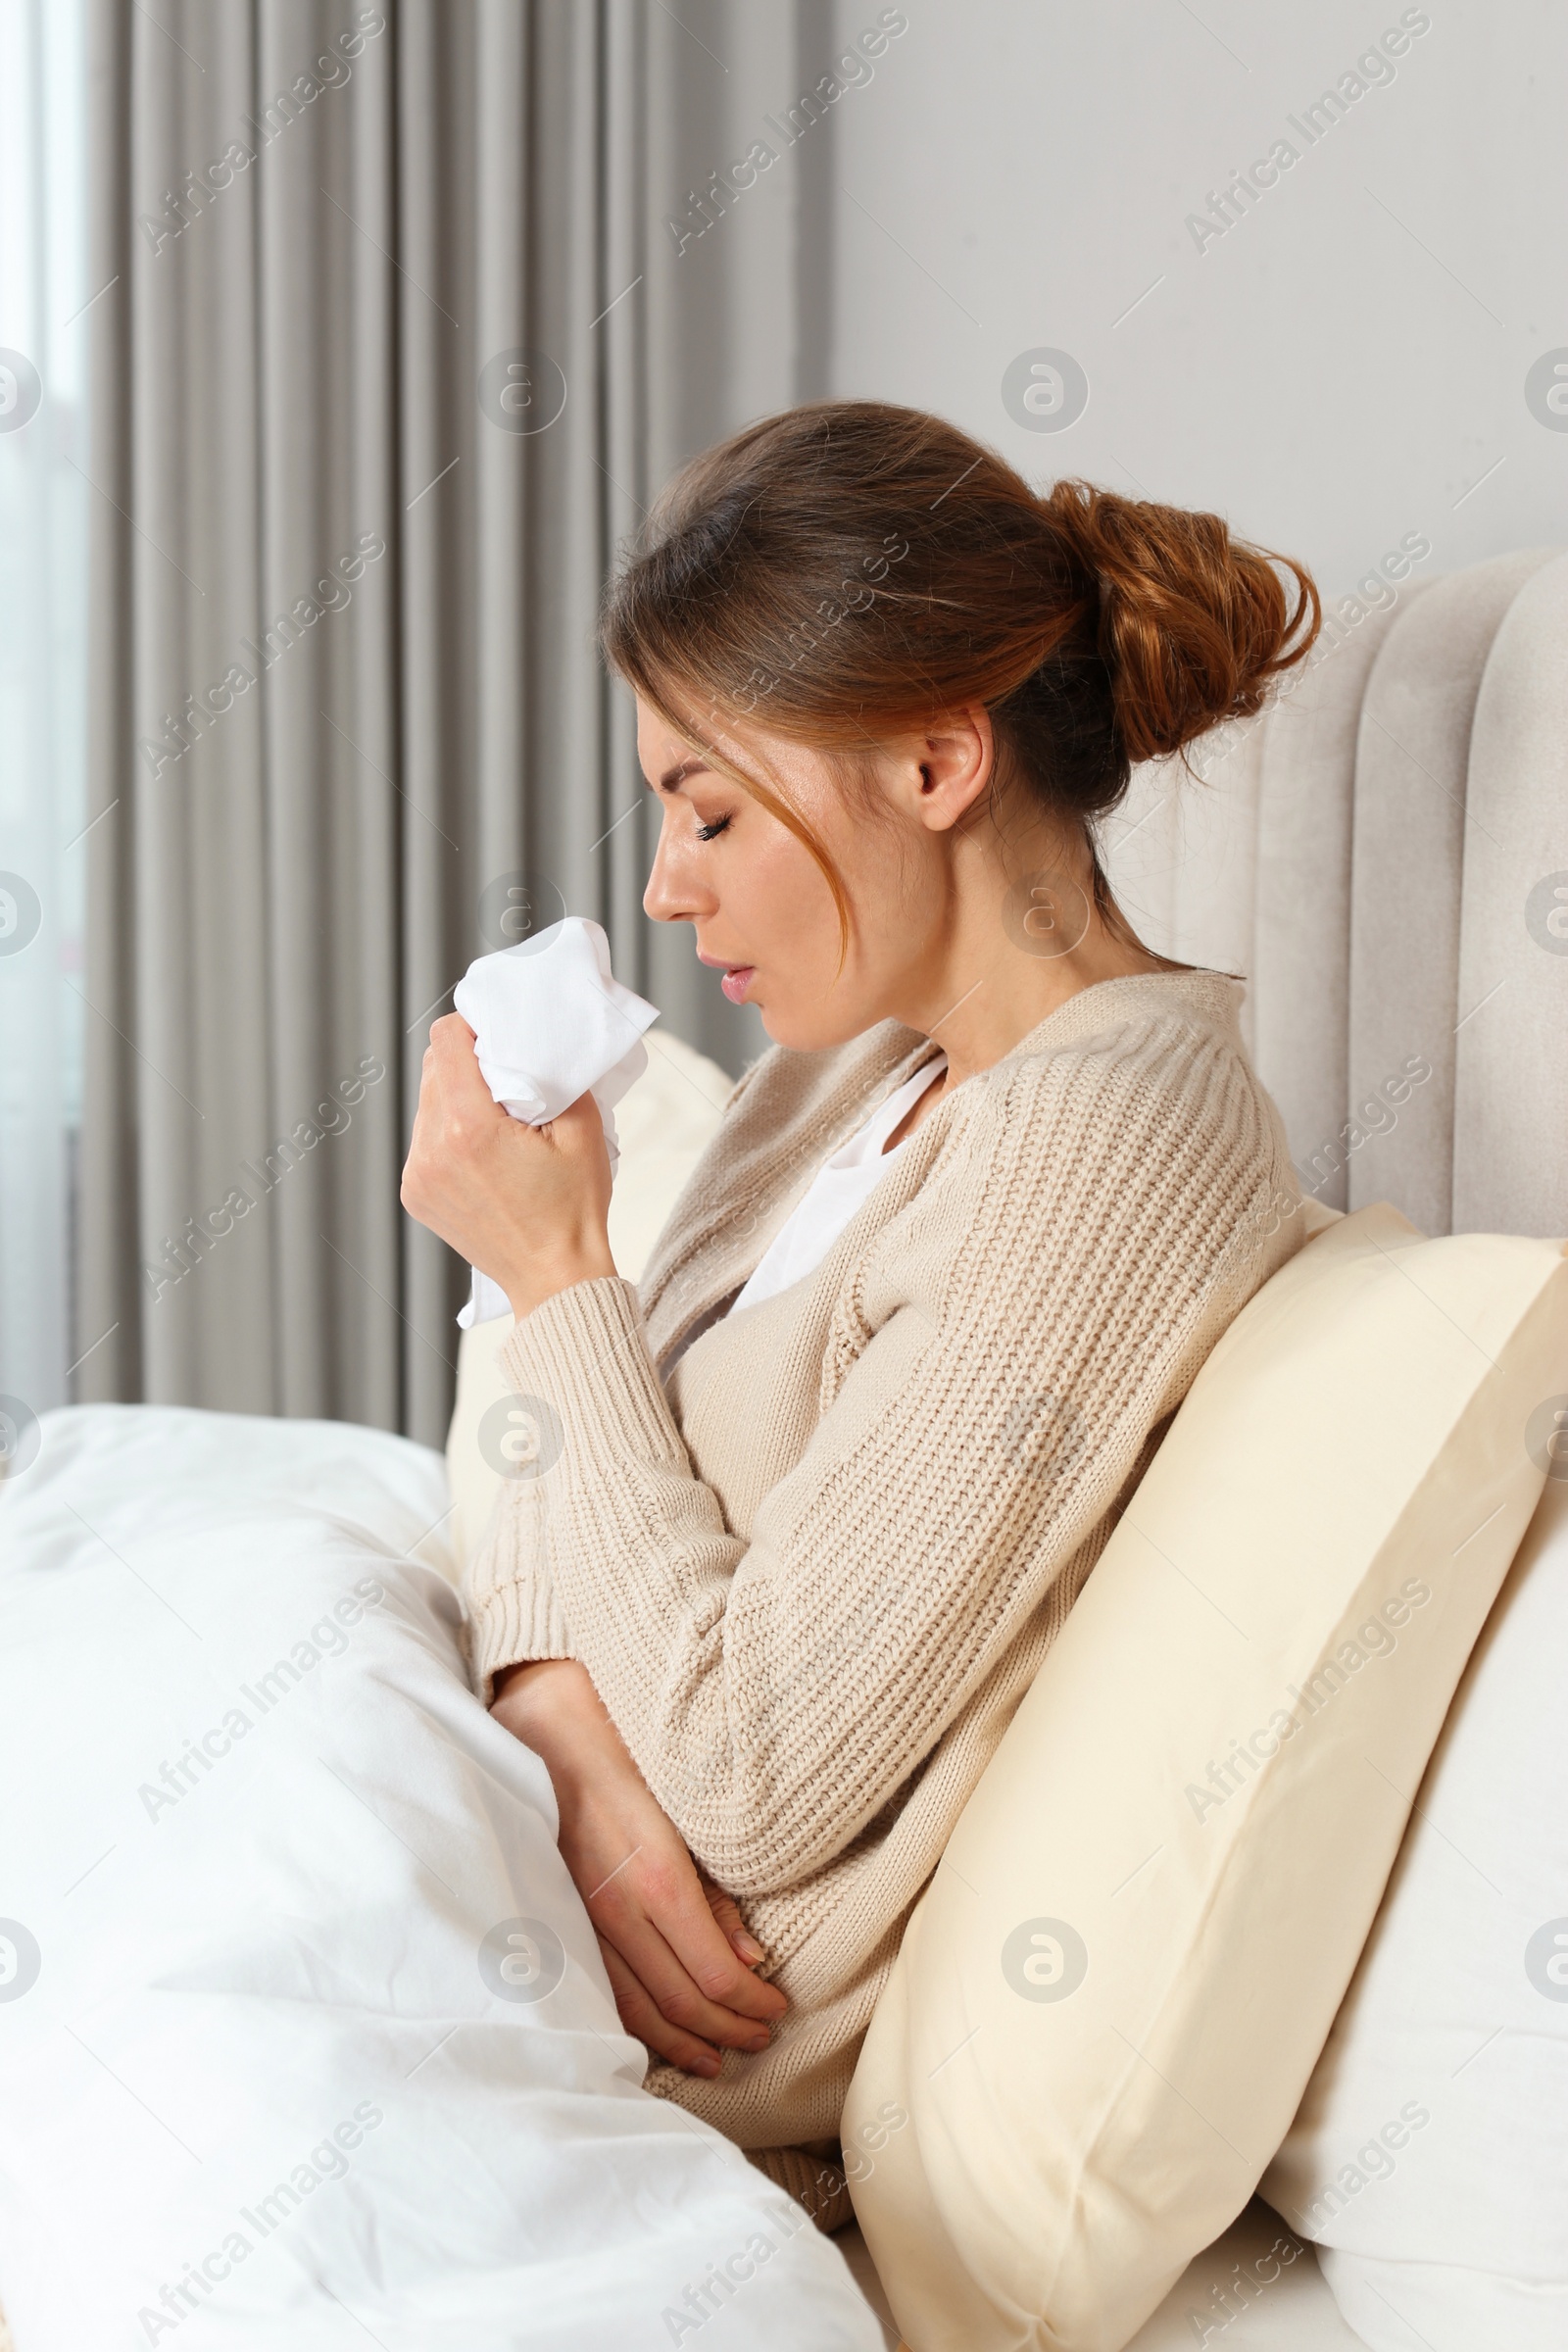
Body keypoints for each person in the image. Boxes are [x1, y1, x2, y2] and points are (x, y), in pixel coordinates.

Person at [400, 398, 1320, 2228]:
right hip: (521, 1826)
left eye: (712, 808)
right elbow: (554, 1474)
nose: (667, 888)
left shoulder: (1111, 1142)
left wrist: (555, 1279)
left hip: (647, 2030)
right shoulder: (863, 1074)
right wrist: (561, 1705)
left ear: (933, 762)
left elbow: (748, 1773)